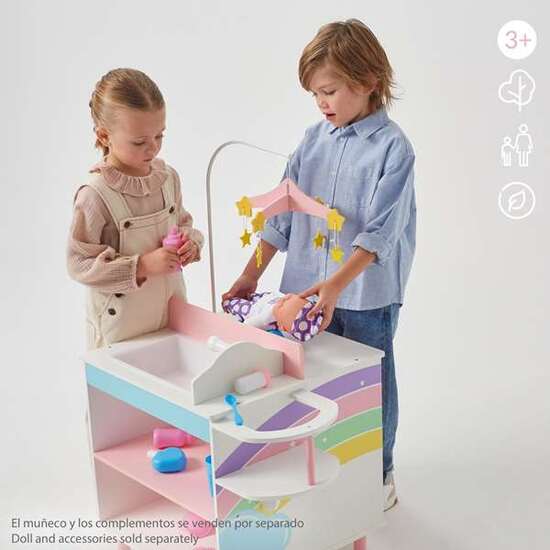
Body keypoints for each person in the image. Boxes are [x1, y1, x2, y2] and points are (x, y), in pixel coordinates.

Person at [223, 19, 416, 511]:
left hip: (366, 298)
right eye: (314, 95)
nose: (321, 103)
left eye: (329, 91)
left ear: (368, 81)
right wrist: (250, 273)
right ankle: (319, 464)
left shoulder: (393, 150)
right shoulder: (311, 141)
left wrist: (334, 286)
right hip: (304, 296)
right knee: (308, 381)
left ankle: (378, 473)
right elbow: (280, 218)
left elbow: (380, 234)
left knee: (370, 385)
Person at [68, 68, 203, 350]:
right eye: (139, 142)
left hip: (171, 318)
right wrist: (141, 266)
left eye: (159, 136)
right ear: (104, 136)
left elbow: (182, 222)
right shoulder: (95, 195)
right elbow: (79, 264)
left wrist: (190, 243)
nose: (152, 148)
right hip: (120, 332)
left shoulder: (167, 179)